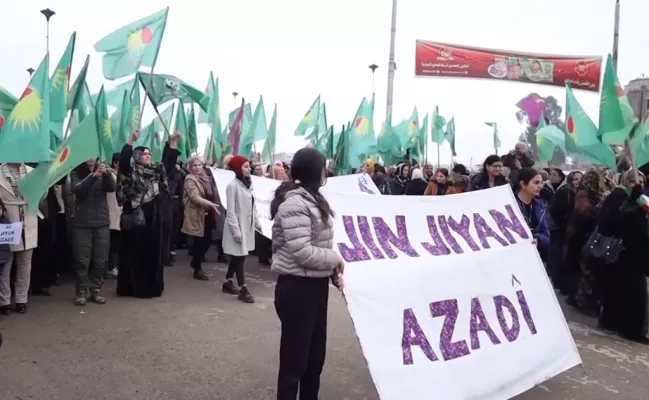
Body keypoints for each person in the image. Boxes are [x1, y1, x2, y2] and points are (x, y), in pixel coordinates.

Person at [270, 147, 344, 400]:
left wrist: (333, 273)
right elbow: (302, 251)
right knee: (295, 362)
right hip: (297, 289)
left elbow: (319, 245)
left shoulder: (314, 199)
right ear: (317, 171)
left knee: (314, 360)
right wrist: (337, 259)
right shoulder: (294, 204)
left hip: (315, 286)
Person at [116, 130, 180, 298]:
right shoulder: (130, 171)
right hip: (136, 217)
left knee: (153, 252)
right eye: (143, 153)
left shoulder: (156, 171)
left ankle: (151, 287)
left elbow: (168, 164)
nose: (147, 155)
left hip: (153, 217)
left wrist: (172, 145)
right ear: (136, 156)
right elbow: (123, 161)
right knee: (134, 252)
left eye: (149, 153)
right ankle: (132, 288)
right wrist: (131, 140)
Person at [597, 170, 649, 344]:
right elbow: (612, 222)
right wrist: (631, 201)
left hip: (637, 250)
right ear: (626, 181)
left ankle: (616, 322)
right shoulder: (619, 196)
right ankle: (632, 330)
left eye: (641, 181)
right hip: (623, 250)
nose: (639, 184)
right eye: (635, 180)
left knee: (624, 288)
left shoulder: (641, 199)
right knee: (634, 291)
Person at [70, 158, 116, 305]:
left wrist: (107, 174)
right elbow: (78, 189)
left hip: (101, 221)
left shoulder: (104, 170)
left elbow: (112, 187)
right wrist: (93, 176)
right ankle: (81, 291)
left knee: (100, 259)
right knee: (82, 260)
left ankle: (96, 290)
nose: (90, 158)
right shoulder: (76, 172)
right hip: (82, 222)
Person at [0, 163, 39, 314]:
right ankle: (4, 300)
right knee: (5, 262)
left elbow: (40, 195)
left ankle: (21, 299)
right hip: (7, 219)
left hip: (28, 216)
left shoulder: (32, 172)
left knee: (25, 262)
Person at [221, 155, 259, 303]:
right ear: (237, 169)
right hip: (237, 227)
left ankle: (227, 282)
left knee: (239, 257)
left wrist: (258, 223)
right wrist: (235, 230)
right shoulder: (232, 186)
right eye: (245, 166)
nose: (249, 169)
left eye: (249, 166)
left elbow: (253, 205)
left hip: (247, 226)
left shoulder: (249, 184)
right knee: (240, 257)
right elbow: (230, 211)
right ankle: (243, 289)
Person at [181, 156, 221, 281]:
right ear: (190, 167)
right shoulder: (190, 179)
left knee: (208, 240)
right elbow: (194, 197)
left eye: (199, 165)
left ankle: (195, 261)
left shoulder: (207, 178)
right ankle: (197, 269)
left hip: (209, 214)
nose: (198, 168)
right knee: (199, 243)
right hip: (198, 214)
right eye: (195, 166)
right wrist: (209, 204)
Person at [514, 168, 550, 253]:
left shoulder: (540, 206)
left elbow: (546, 235)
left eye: (541, 182)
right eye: (536, 182)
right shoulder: (511, 205)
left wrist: (538, 239)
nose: (540, 186)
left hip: (534, 255)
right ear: (522, 184)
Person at [106, 153, 121, 279]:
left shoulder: (120, 175)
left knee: (116, 242)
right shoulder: (110, 174)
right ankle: (111, 267)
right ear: (115, 163)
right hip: (111, 212)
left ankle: (114, 265)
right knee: (111, 243)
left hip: (119, 213)